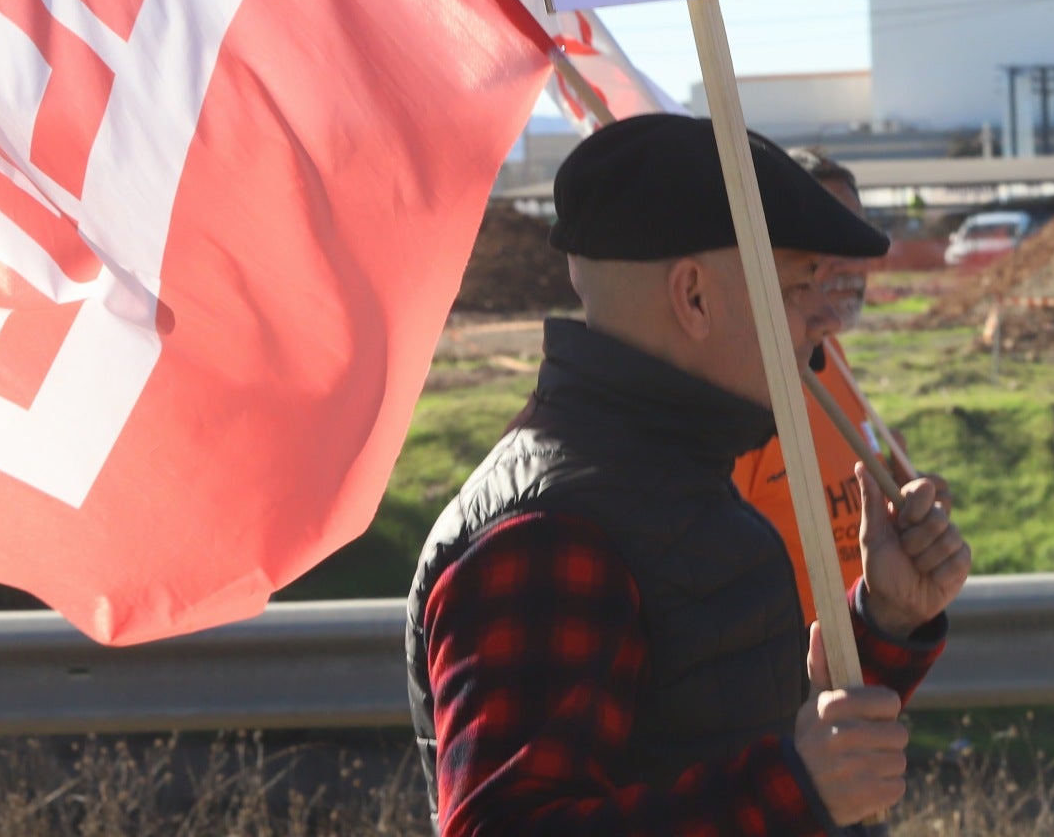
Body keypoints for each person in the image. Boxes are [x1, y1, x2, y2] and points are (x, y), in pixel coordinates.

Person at [406, 115, 974, 837]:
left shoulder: (663, 478)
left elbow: (731, 732)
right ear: (695, 298)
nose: (823, 322)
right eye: (801, 285)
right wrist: (796, 788)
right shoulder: (552, 534)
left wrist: (886, 622)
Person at [733, 150, 945, 627]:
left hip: (858, 665)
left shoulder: (831, 358)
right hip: (783, 690)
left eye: (858, 236)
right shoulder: (745, 384)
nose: (853, 260)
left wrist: (902, 521)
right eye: (829, 238)